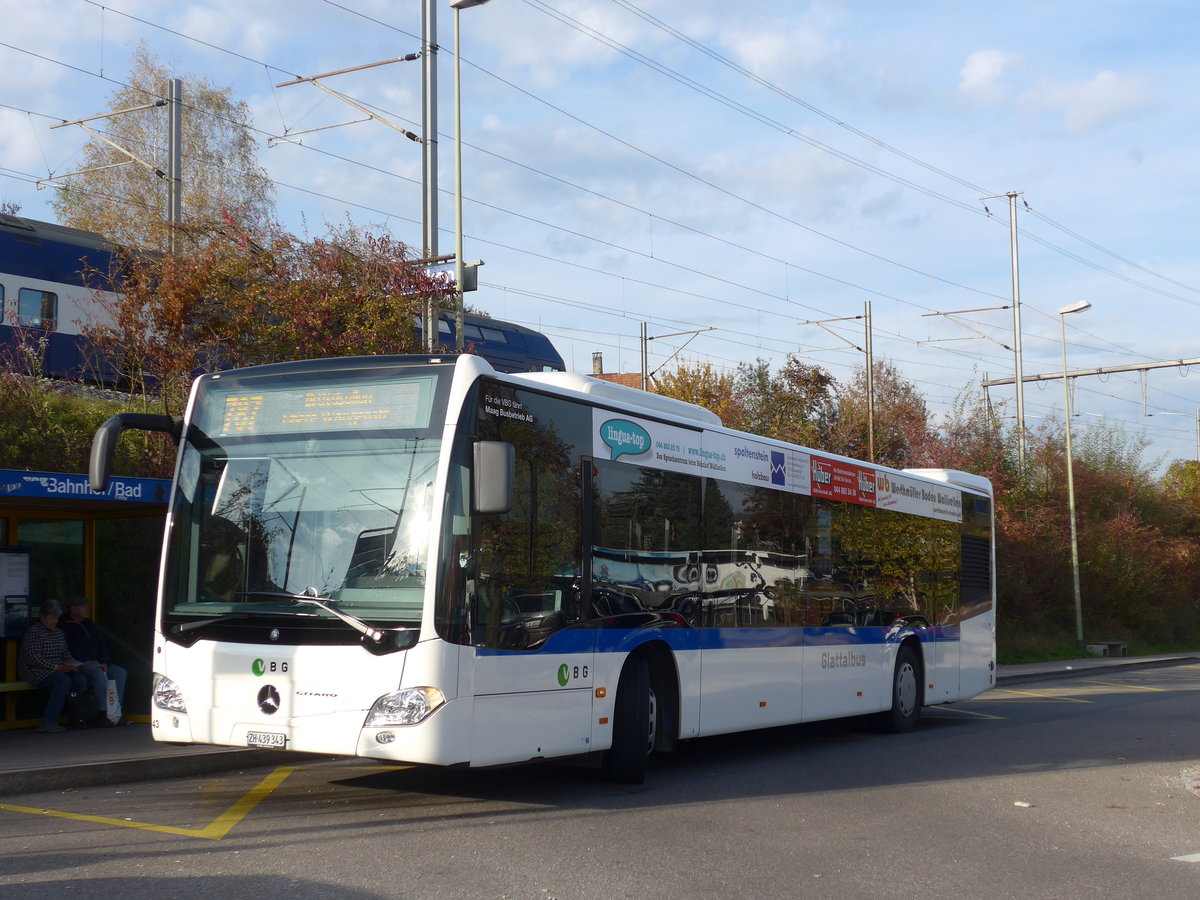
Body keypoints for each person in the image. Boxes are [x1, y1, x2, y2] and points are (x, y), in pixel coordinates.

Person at [17, 599, 93, 733]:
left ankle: (74, 715)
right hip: (35, 669)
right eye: (52, 618)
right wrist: (56, 667)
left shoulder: (58, 633)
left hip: (59, 668)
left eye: (57, 618)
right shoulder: (34, 633)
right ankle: (49, 720)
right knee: (62, 681)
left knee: (80, 680)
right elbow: (33, 657)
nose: (55, 622)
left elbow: (65, 654)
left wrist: (74, 664)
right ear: (42, 617)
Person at [60, 595, 126, 723]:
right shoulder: (63, 625)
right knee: (98, 674)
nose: (86, 609)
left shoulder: (89, 623)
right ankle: (103, 712)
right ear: (72, 609)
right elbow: (69, 648)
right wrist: (93, 663)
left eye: (86, 606)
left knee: (120, 673)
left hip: (98, 662)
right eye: (83, 607)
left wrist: (105, 661)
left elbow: (102, 643)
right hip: (80, 663)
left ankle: (116, 711)